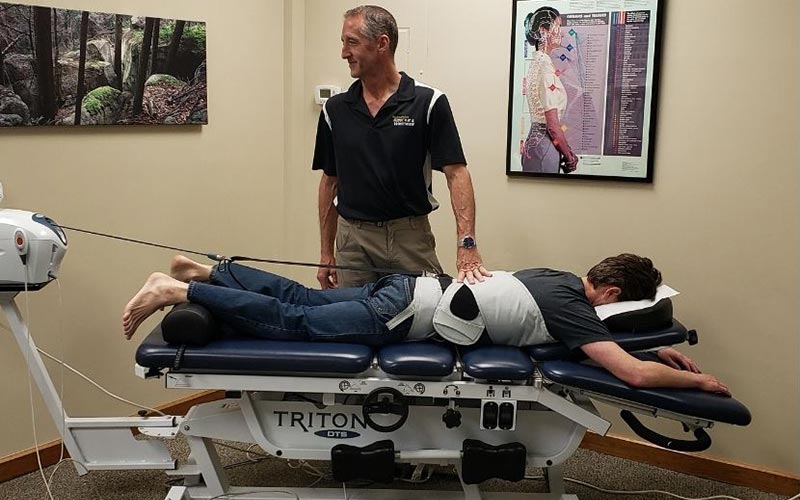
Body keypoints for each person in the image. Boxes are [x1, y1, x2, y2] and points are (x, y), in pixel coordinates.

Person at [122, 254, 730, 395]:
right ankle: (180, 288)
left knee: (304, 299)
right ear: (614, 295)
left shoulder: (555, 276)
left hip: (408, 284)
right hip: (404, 315)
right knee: (296, 324)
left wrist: (661, 353)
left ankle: (209, 269)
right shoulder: (576, 311)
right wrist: (699, 383)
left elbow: (623, 349)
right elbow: (631, 376)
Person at [313, 5, 490, 289]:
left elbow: (457, 174)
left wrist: (466, 244)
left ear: (382, 43)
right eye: (343, 43)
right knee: (353, 326)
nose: (344, 53)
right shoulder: (335, 110)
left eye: (352, 42)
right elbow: (329, 183)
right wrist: (325, 252)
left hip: (409, 237)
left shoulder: (428, 102)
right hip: (352, 243)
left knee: (429, 320)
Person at [521, 6, 579, 174]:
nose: (561, 33)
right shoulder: (545, 66)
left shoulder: (538, 62)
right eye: (557, 27)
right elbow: (552, 125)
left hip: (536, 144)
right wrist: (569, 156)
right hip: (544, 147)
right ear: (543, 30)